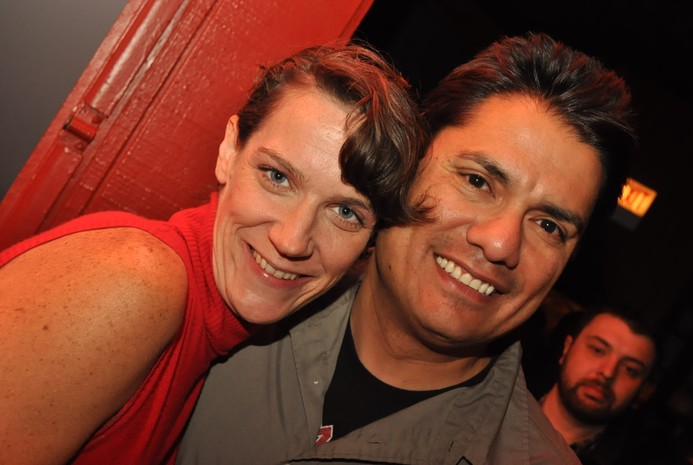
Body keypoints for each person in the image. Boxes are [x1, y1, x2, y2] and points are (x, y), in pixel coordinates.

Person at [176, 31, 638, 465]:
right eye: (477, 181)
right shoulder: (237, 292)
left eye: (549, 226)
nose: (501, 242)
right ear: (409, 165)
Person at [0, 42, 428, 465]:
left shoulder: (223, 339)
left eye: (345, 212)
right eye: (277, 176)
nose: (292, 240)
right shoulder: (132, 283)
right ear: (229, 151)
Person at [538, 306, 657, 465]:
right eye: (598, 350)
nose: (608, 373)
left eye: (630, 369)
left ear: (642, 389)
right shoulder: (506, 394)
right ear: (567, 348)